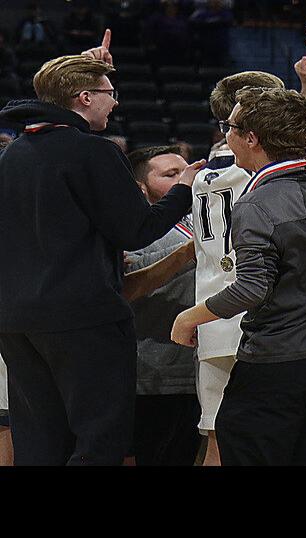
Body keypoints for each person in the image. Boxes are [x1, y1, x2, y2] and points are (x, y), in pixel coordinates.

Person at [170, 28, 306, 465]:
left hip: (276, 366)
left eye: (232, 129)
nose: (227, 136)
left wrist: (189, 316)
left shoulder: (257, 204)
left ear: (252, 139)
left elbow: (251, 289)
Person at [0, 36, 205, 465]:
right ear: (85, 97)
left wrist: (87, 67)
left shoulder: (13, 154)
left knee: (39, 441)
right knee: (99, 440)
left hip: (16, 321)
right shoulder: (92, 151)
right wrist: (184, 189)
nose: (115, 104)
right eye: (110, 95)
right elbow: (137, 229)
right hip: (83, 318)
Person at [190, 70, 287, 467]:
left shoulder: (201, 177)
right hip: (258, 317)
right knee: (271, 441)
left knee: (217, 440)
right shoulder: (254, 171)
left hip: (211, 319)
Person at [125, 145, 203, 466]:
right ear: (142, 188)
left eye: (187, 171)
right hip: (151, 375)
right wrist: (190, 251)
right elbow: (127, 277)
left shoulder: (206, 216)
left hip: (200, 369)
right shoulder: (131, 228)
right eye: (172, 175)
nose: (187, 179)